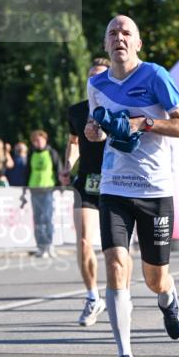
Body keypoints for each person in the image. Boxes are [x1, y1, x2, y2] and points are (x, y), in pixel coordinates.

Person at [85, 14, 179, 357]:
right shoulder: (96, 83)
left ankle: (168, 298)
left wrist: (143, 123)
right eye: (112, 32)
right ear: (105, 44)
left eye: (127, 32)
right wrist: (94, 131)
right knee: (116, 263)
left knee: (153, 278)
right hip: (114, 187)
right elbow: (95, 130)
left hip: (154, 189)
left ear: (138, 43)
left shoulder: (156, 76)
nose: (119, 37)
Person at [65, 57, 118, 326]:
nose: (95, 82)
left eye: (101, 77)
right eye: (91, 78)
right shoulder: (76, 111)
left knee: (117, 248)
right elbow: (73, 141)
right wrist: (67, 164)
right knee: (84, 240)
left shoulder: (119, 109)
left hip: (116, 180)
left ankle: (119, 294)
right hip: (86, 181)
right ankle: (92, 297)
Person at [24, 130, 62, 258]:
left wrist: (61, 185)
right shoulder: (31, 154)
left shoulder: (51, 153)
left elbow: (58, 169)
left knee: (47, 217)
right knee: (38, 219)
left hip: (48, 189)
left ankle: (49, 244)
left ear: (45, 140)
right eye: (35, 141)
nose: (38, 142)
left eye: (39, 140)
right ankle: (40, 246)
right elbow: (27, 171)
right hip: (34, 189)